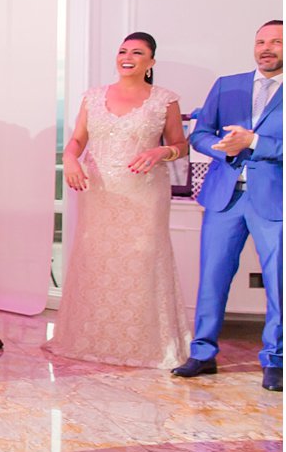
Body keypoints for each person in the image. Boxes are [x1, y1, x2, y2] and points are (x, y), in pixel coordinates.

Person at [51, 32, 189, 369]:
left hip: (144, 194)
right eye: (123, 51)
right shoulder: (92, 97)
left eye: (137, 52)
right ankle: (89, 339)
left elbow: (181, 145)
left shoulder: (165, 100)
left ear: (151, 62)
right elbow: (76, 142)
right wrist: (70, 161)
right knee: (97, 261)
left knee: (142, 263)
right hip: (99, 193)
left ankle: (144, 345)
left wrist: (161, 151)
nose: (127, 57)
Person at [174, 20, 282, 392]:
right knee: (212, 278)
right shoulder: (227, 85)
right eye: (261, 42)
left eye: (277, 42)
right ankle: (202, 354)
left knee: (278, 283)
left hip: (274, 199)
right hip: (225, 196)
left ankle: (276, 360)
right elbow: (199, 133)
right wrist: (220, 148)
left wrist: (255, 142)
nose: (267, 48)